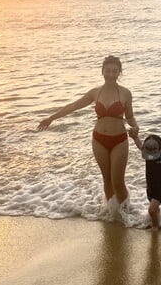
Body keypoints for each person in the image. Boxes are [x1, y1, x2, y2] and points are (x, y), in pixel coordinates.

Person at [37, 55, 141, 207]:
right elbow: (74, 106)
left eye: (114, 71)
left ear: (119, 73)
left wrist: (136, 127)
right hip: (99, 140)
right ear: (102, 72)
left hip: (119, 139)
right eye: (108, 71)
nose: (111, 74)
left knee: (118, 182)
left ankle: (127, 214)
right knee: (106, 179)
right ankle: (111, 214)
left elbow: (130, 116)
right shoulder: (95, 92)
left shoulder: (126, 93)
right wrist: (51, 118)